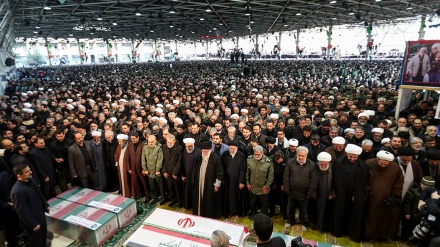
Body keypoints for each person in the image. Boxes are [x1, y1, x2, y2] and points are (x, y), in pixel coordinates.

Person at [332, 144, 369, 243]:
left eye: (355, 157)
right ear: (347, 154)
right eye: (351, 157)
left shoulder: (362, 165)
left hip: (354, 195)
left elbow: (364, 182)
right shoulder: (339, 162)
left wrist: (357, 195)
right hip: (341, 194)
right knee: (339, 213)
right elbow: (334, 178)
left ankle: (351, 233)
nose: (352, 159)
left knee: (353, 214)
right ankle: (339, 231)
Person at [364, 150, 403, 241]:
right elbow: (363, 180)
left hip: (387, 200)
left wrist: (395, 196)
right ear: (377, 159)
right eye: (382, 163)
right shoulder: (368, 164)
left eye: (386, 164)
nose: (384, 166)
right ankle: (368, 236)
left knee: (385, 220)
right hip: (371, 198)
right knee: (370, 219)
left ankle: (381, 237)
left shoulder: (395, 167)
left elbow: (399, 183)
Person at [10, 163, 50, 247]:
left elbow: (39, 193)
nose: (31, 172)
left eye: (30, 170)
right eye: (27, 172)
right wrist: (33, 224)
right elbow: (22, 211)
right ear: (19, 175)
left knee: (43, 237)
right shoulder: (17, 191)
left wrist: (45, 205)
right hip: (33, 222)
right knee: (35, 242)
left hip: (40, 215)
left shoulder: (31, 180)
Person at [283, 146, 317, 231]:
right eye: (299, 155)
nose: (301, 157)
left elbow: (314, 180)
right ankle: (290, 221)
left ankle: (304, 222)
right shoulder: (290, 162)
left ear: (306, 155)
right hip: (292, 192)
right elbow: (286, 177)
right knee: (290, 208)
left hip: (304, 194)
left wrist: (310, 193)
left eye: (303, 156)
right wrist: (287, 189)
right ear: (296, 154)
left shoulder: (311, 165)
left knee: (304, 210)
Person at [192, 141, 223, 219]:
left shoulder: (215, 158)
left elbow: (220, 173)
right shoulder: (199, 156)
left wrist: (217, 185)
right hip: (199, 183)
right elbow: (195, 169)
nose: (204, 152)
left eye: (206, 151)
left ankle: (208, 216)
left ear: (210, 150)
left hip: (210, 184)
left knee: (209, 200)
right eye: (203, 151)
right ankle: (199, 213)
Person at [309, 151, 334, 232]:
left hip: (327, 196)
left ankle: (324, 227)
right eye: (321, 164)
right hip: (316, 195)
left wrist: (331, 193)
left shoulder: (333, 168)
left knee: (326, 212)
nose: (323, 166)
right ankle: (314, 225)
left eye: (325, 164)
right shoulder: (313, 167)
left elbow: (335, 182)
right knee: (314, 211)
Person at [221, 140, 247, 218]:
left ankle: (237, 212)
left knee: (237, 197)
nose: (231, 150)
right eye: (230, 148)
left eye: (233, 148)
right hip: (228, 181)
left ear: (236, 148)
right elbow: (222, 167)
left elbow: (243, 169)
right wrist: (222, 179)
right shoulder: (225, 155)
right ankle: (229, 212)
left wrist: (241, 181)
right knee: (228, 197)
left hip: (237, 181)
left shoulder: (241, 155)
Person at [247, 145, 273, 219]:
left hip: (263, 188)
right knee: (252, 203)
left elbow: (271, 176)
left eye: (258, 154)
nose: (257, 156)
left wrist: (267, 186)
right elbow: (247, 173)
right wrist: (248, 183)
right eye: (255, 154)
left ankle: (263, 216)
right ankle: (253, 213)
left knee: (264, 204)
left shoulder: (268, 162)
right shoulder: (249, 159)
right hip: (253, 186)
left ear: (262, 153)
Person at [125, 131, 150, 201]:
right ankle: (139, 194)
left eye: (134, 139)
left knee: (144, 183)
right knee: (136, 183)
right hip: (133, 168)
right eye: (131, 139)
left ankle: (148, 195)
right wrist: (129, 168)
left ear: (138, 137)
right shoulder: (129, 145)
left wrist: (144, 168)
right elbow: (127, 158)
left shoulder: (143, 145)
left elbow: (145, 158)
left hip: (141, 168)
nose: (132, 140)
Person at [141, 135, 165, 205]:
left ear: (155, 141)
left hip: (157, 171)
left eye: (152, 142)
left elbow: (160, 159)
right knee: (152, 187)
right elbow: (143, 159)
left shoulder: (159, 147)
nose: (150, 143)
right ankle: (155, 198)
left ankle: (163, 198)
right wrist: (145, 169)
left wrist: (158, 170)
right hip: (149, 171)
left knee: (161, 186)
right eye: (149, 142)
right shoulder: (145, 147)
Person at [162, 134, 183, 207]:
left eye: (171, 142)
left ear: (174, 141)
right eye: (168, 142)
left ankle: (180, 201)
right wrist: (164, 171)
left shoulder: (179, 148)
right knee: (170, 187)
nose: (169, 144)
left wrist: (175, 173)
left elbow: (179, 162)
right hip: (167, 172)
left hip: (175, 172)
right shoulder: (164, 147)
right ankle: (173, 199)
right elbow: (163, 160)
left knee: (177, 187)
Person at [181, 138, 201, 210]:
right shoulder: (185, 151)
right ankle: (187, 205)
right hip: (186, 176)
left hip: (195, 177)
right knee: (187, 191)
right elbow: (182, 163)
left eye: (189, 146)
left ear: (193, 144)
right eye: (186, 146)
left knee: (194, 192)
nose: (188, 148)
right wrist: (182, 174)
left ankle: (194, 206)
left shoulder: (198, 152)